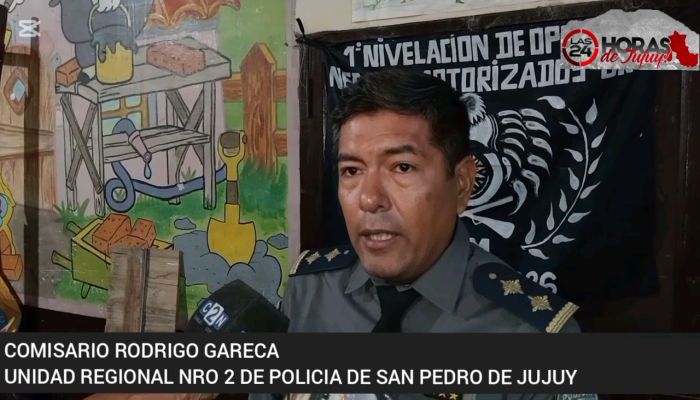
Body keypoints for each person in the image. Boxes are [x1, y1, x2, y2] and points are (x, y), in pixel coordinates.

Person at [284, 68, 579, 335]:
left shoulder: (529, 330)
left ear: (462, 184)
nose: (370, 199)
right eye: (352, 171)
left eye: (402, 167)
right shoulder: (310, 292)